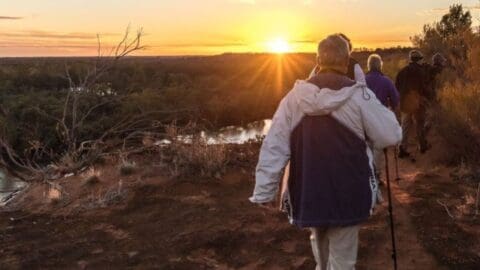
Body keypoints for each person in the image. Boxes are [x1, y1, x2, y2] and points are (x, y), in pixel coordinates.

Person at [250, 34, 402, 270]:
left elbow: (274, 145)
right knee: (343, 262)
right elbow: (391, 135)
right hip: (349, 192)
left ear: (318, 60)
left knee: (321, 256)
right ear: (346, 61)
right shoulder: (358, 96)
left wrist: (264, 191)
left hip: (309, 192)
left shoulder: (294, 99)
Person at [365, 54, 400, 182]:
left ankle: (369, 174)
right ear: (380, 65)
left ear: (368, 66)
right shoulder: (386, 81)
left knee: (367, 146)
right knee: (378, 148)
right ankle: (376, 175)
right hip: (379, 119)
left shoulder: (361, 81)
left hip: (364, 118)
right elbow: (395, 100)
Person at [395, 50, 431, 157]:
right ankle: (422, 146)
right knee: (419, 125)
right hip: (417, 103)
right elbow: (424, 88)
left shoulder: (402, 71)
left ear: (410, 59)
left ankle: (402, 148)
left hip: (405, 104)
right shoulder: (421, 72)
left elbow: (396, 87)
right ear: (419, 59)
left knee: (405, 126)